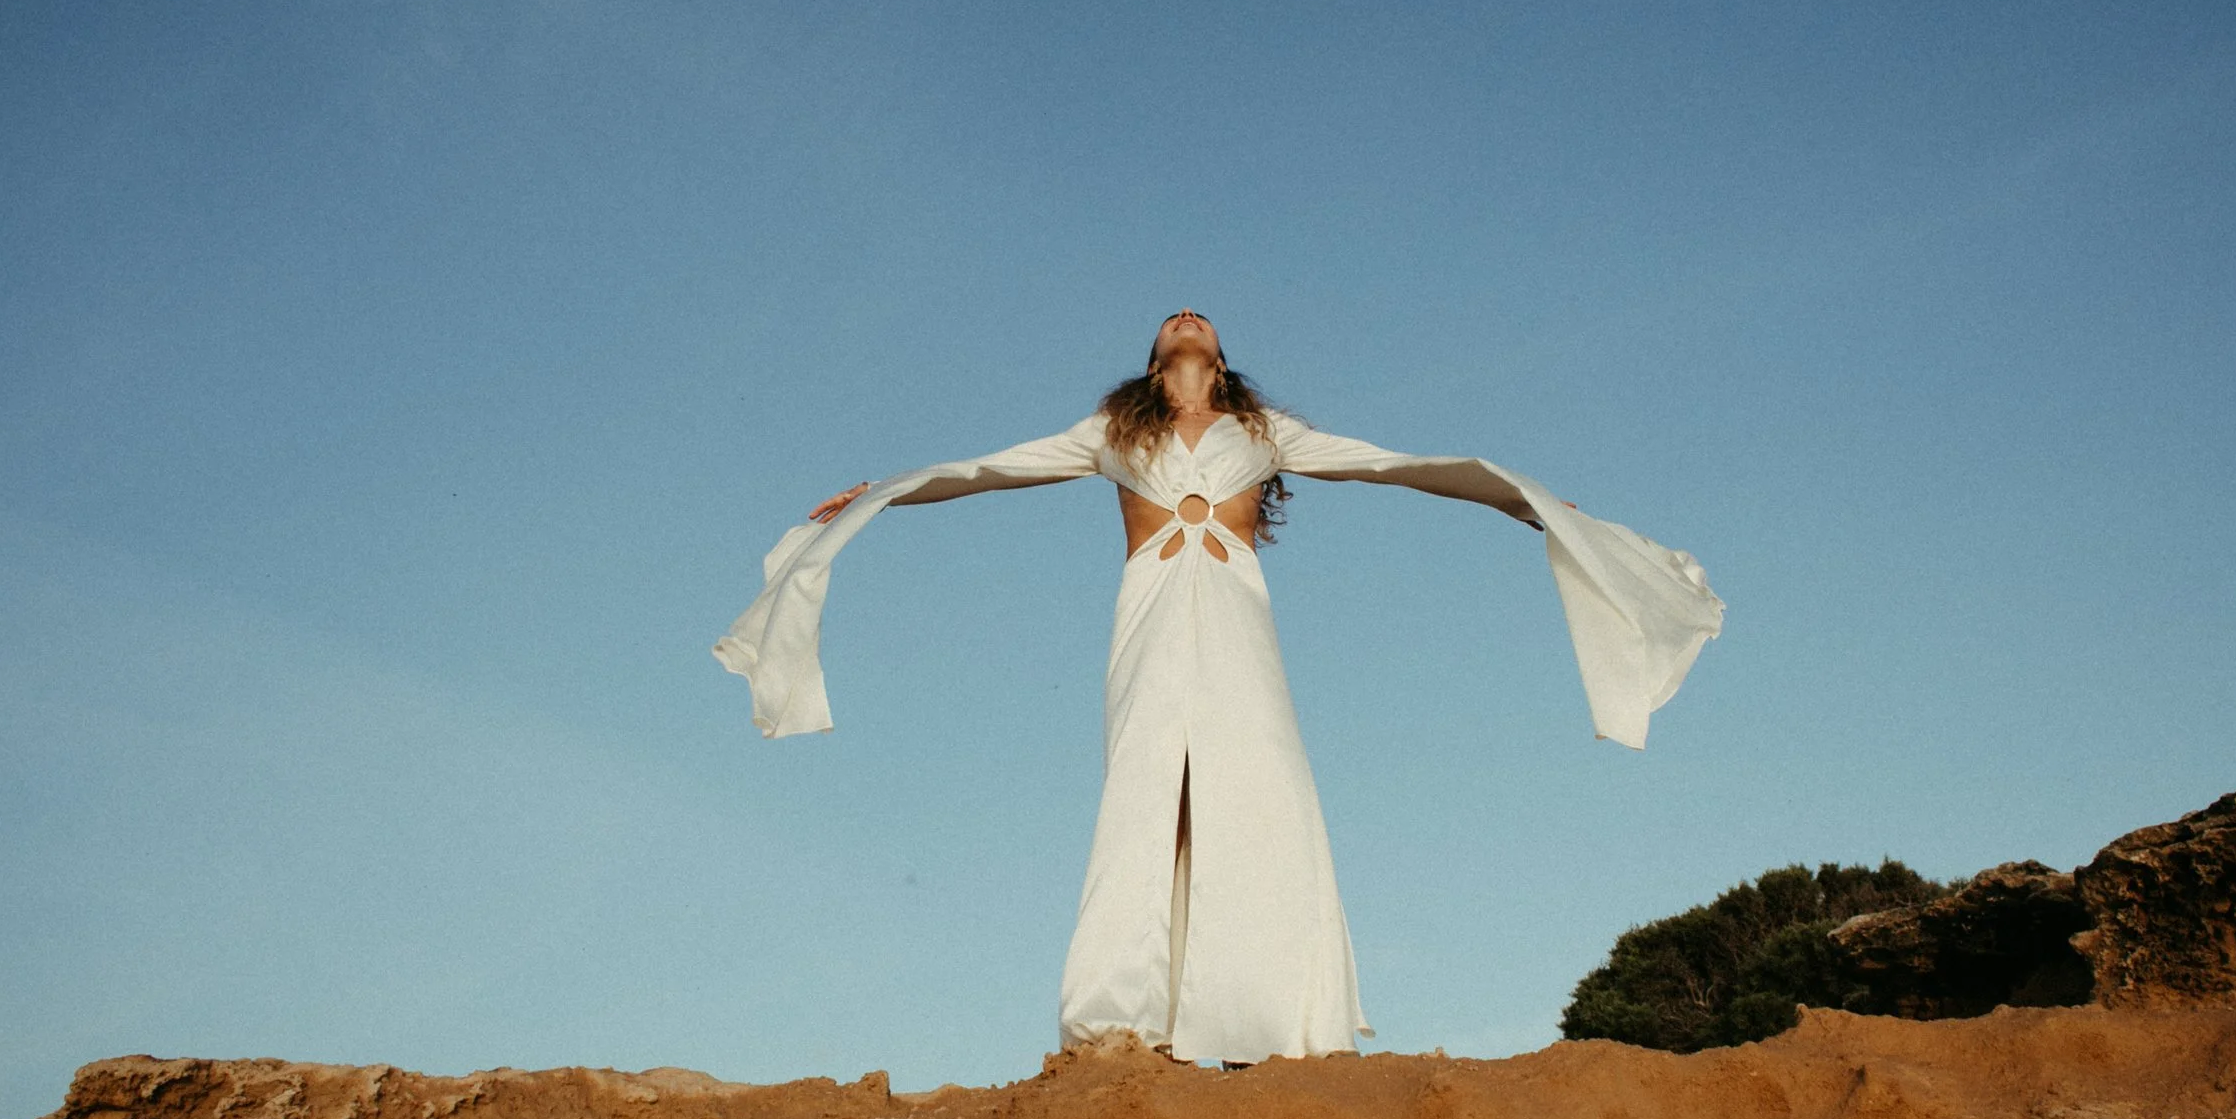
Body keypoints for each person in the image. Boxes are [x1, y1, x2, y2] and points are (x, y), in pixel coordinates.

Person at [715, 311, 1723, 1064]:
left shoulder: (1266, 429)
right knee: (1150, 788)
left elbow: (1396, 465)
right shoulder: (1109, 430)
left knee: (1258, 791)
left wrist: (1528, 503)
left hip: (1237, 613)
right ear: (1156, 358)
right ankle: (1124, 1020)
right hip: (1150, 612)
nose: (1187, 313)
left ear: (1219, 356)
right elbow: (985, 469)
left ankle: (1272, 1019)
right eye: (1172, 321)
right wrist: (881, 491)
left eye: (1200, 319)